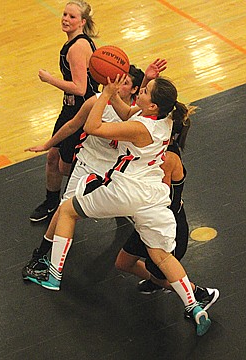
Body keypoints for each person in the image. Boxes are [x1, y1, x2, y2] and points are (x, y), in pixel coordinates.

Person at [24, 74, 212, 336]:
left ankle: (53, 275)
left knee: (67, 210)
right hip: (152, 195)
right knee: (161, 255)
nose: (141, 93)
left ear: (152, 106)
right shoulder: (165, 118)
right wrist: (111, 92)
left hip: (128, 189)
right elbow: (126, 113)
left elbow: (92, 127)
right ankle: (195, 306)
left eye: (145, 91)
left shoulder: (141, 128)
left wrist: (103, 96)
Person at [23, 64, 146, 277]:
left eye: (125, 83)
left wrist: (150, 78)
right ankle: (42, 255)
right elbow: (73, 125)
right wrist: (47, 144)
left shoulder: (137, 113)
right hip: (88, 163)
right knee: (64, 209)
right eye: (118, 80)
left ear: (135, 90)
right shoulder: (96, 101)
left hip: (115, 170)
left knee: (139, 207)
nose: (118, 86)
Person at [115, 131, 220, 316]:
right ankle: (157, 281)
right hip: (149, 223)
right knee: (123, 263)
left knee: (158, 270)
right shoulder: (160, 150)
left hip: (165, 226)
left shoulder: (166, 158)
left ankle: (200, 294)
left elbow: (158, 198)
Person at [29, 1, 99, 223]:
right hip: (69, 107)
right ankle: (51, 202)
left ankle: (104, 193)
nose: (66, 19)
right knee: (53, 157)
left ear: (82, 22)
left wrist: (50, 79)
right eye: (65, 14)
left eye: (72, 16)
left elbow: (80, 88)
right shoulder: (74, 43)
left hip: (81, 109)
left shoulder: (78, 47)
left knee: (65, 164)